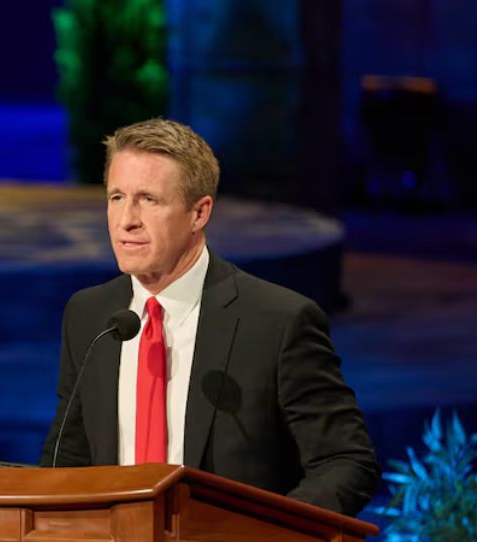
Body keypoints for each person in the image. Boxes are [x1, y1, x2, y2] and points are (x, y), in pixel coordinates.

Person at [39, 118, 379, 517]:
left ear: (199, 213)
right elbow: (67, 460)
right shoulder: (90, 315)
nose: (126, 219)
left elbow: (345, 462)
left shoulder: (278, 322)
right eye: (116, 197)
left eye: (149, 199)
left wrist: (267, 532)